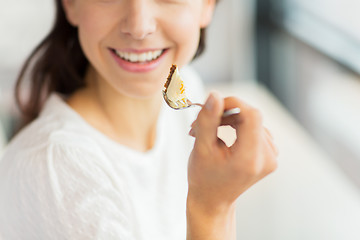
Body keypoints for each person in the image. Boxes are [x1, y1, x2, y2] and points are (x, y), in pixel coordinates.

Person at [0, 0, 278, 239]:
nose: (138, 26)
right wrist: (213, 209)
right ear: (70, 4)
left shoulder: (185, 89)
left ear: (207, 5)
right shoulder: (55, 172)